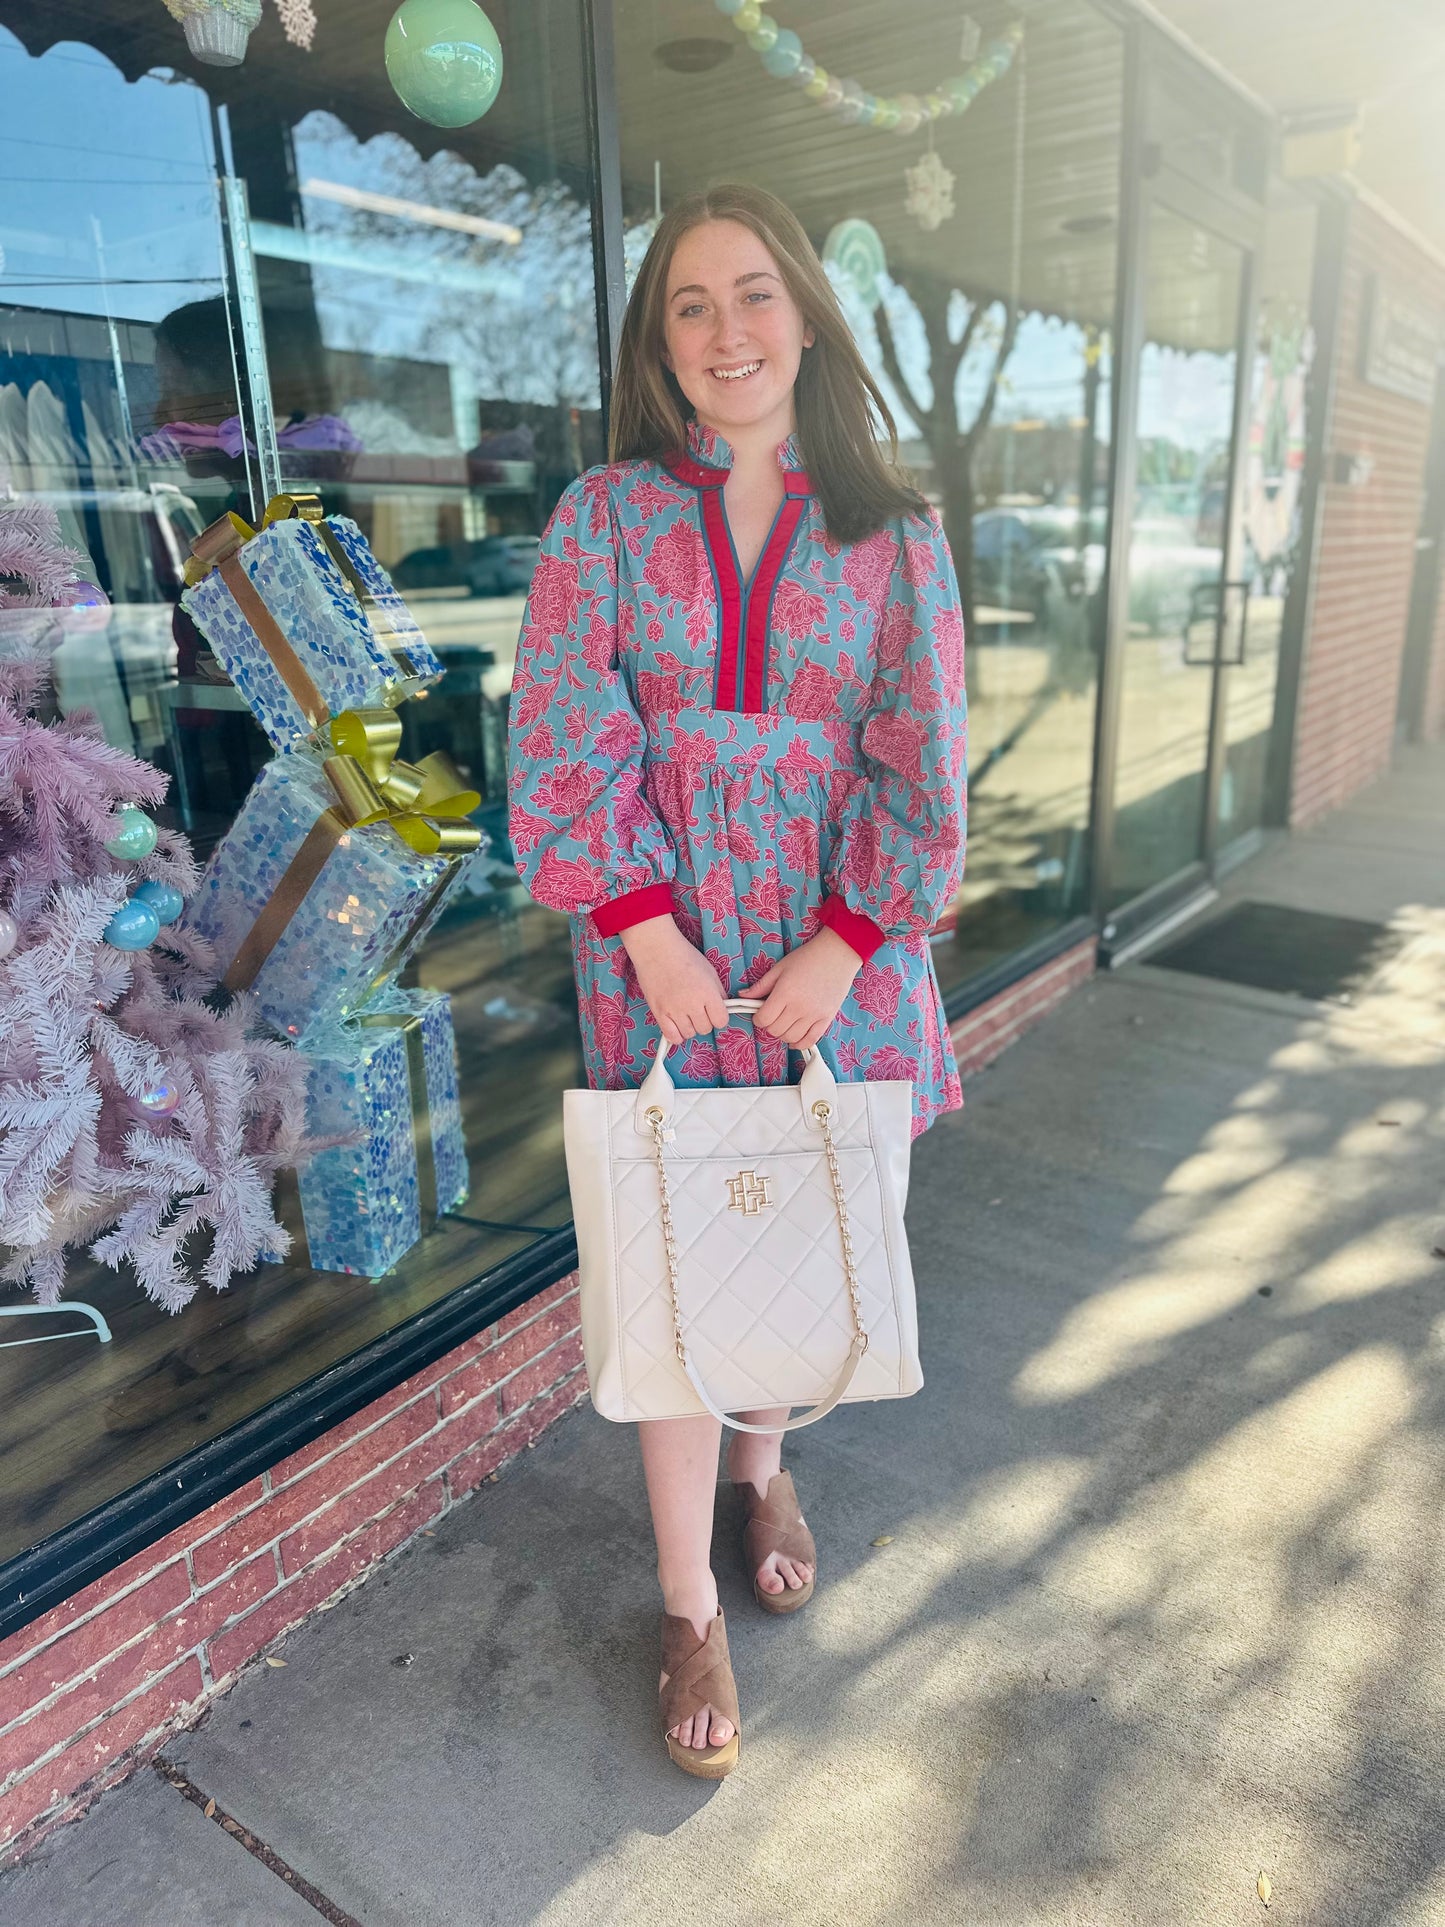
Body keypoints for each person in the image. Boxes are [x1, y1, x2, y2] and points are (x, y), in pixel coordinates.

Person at [507, 183, 967, 1778]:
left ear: (807, 318)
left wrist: (846, 945)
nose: (723, 331)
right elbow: (566, 732)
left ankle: (766, 1465)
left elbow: (922, 755)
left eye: (753, 293)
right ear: (658, 344)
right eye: (688, 305)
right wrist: (647, 931)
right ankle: (686, 1596)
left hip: (840, 958)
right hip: (667, 952)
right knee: (677, 1255)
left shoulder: (895, 532)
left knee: (803, 1220)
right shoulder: (603, 520)